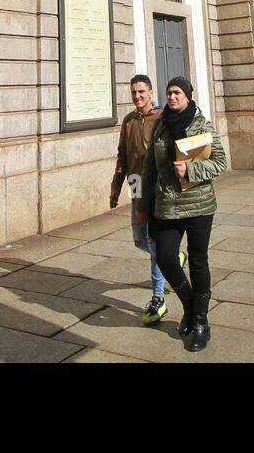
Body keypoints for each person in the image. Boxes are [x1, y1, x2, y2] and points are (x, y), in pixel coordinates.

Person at [138, 76, 226, 352]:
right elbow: (150, 166)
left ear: (188, 95)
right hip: (167, 205)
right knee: (165, 257)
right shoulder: (161, 126)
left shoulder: (202, 125)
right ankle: (189, 305)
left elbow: (220, 162)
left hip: (199, 206)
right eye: (169, 93)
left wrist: (192, 171)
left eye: (177, 93)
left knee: (198, 261)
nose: (172, 97)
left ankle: (200, 322)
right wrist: (143, 202)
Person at [110, 74, 182, 325]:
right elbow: (122, 155)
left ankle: (158, 299)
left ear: (151, 92)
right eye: (133, 93)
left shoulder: (163, 118)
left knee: (153, 244)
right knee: (140, 240)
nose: (137, 96)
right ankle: (173, 257)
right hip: (137, 188)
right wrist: (116, 187)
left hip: (157, 190)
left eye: (141, 92)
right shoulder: (129, 120)